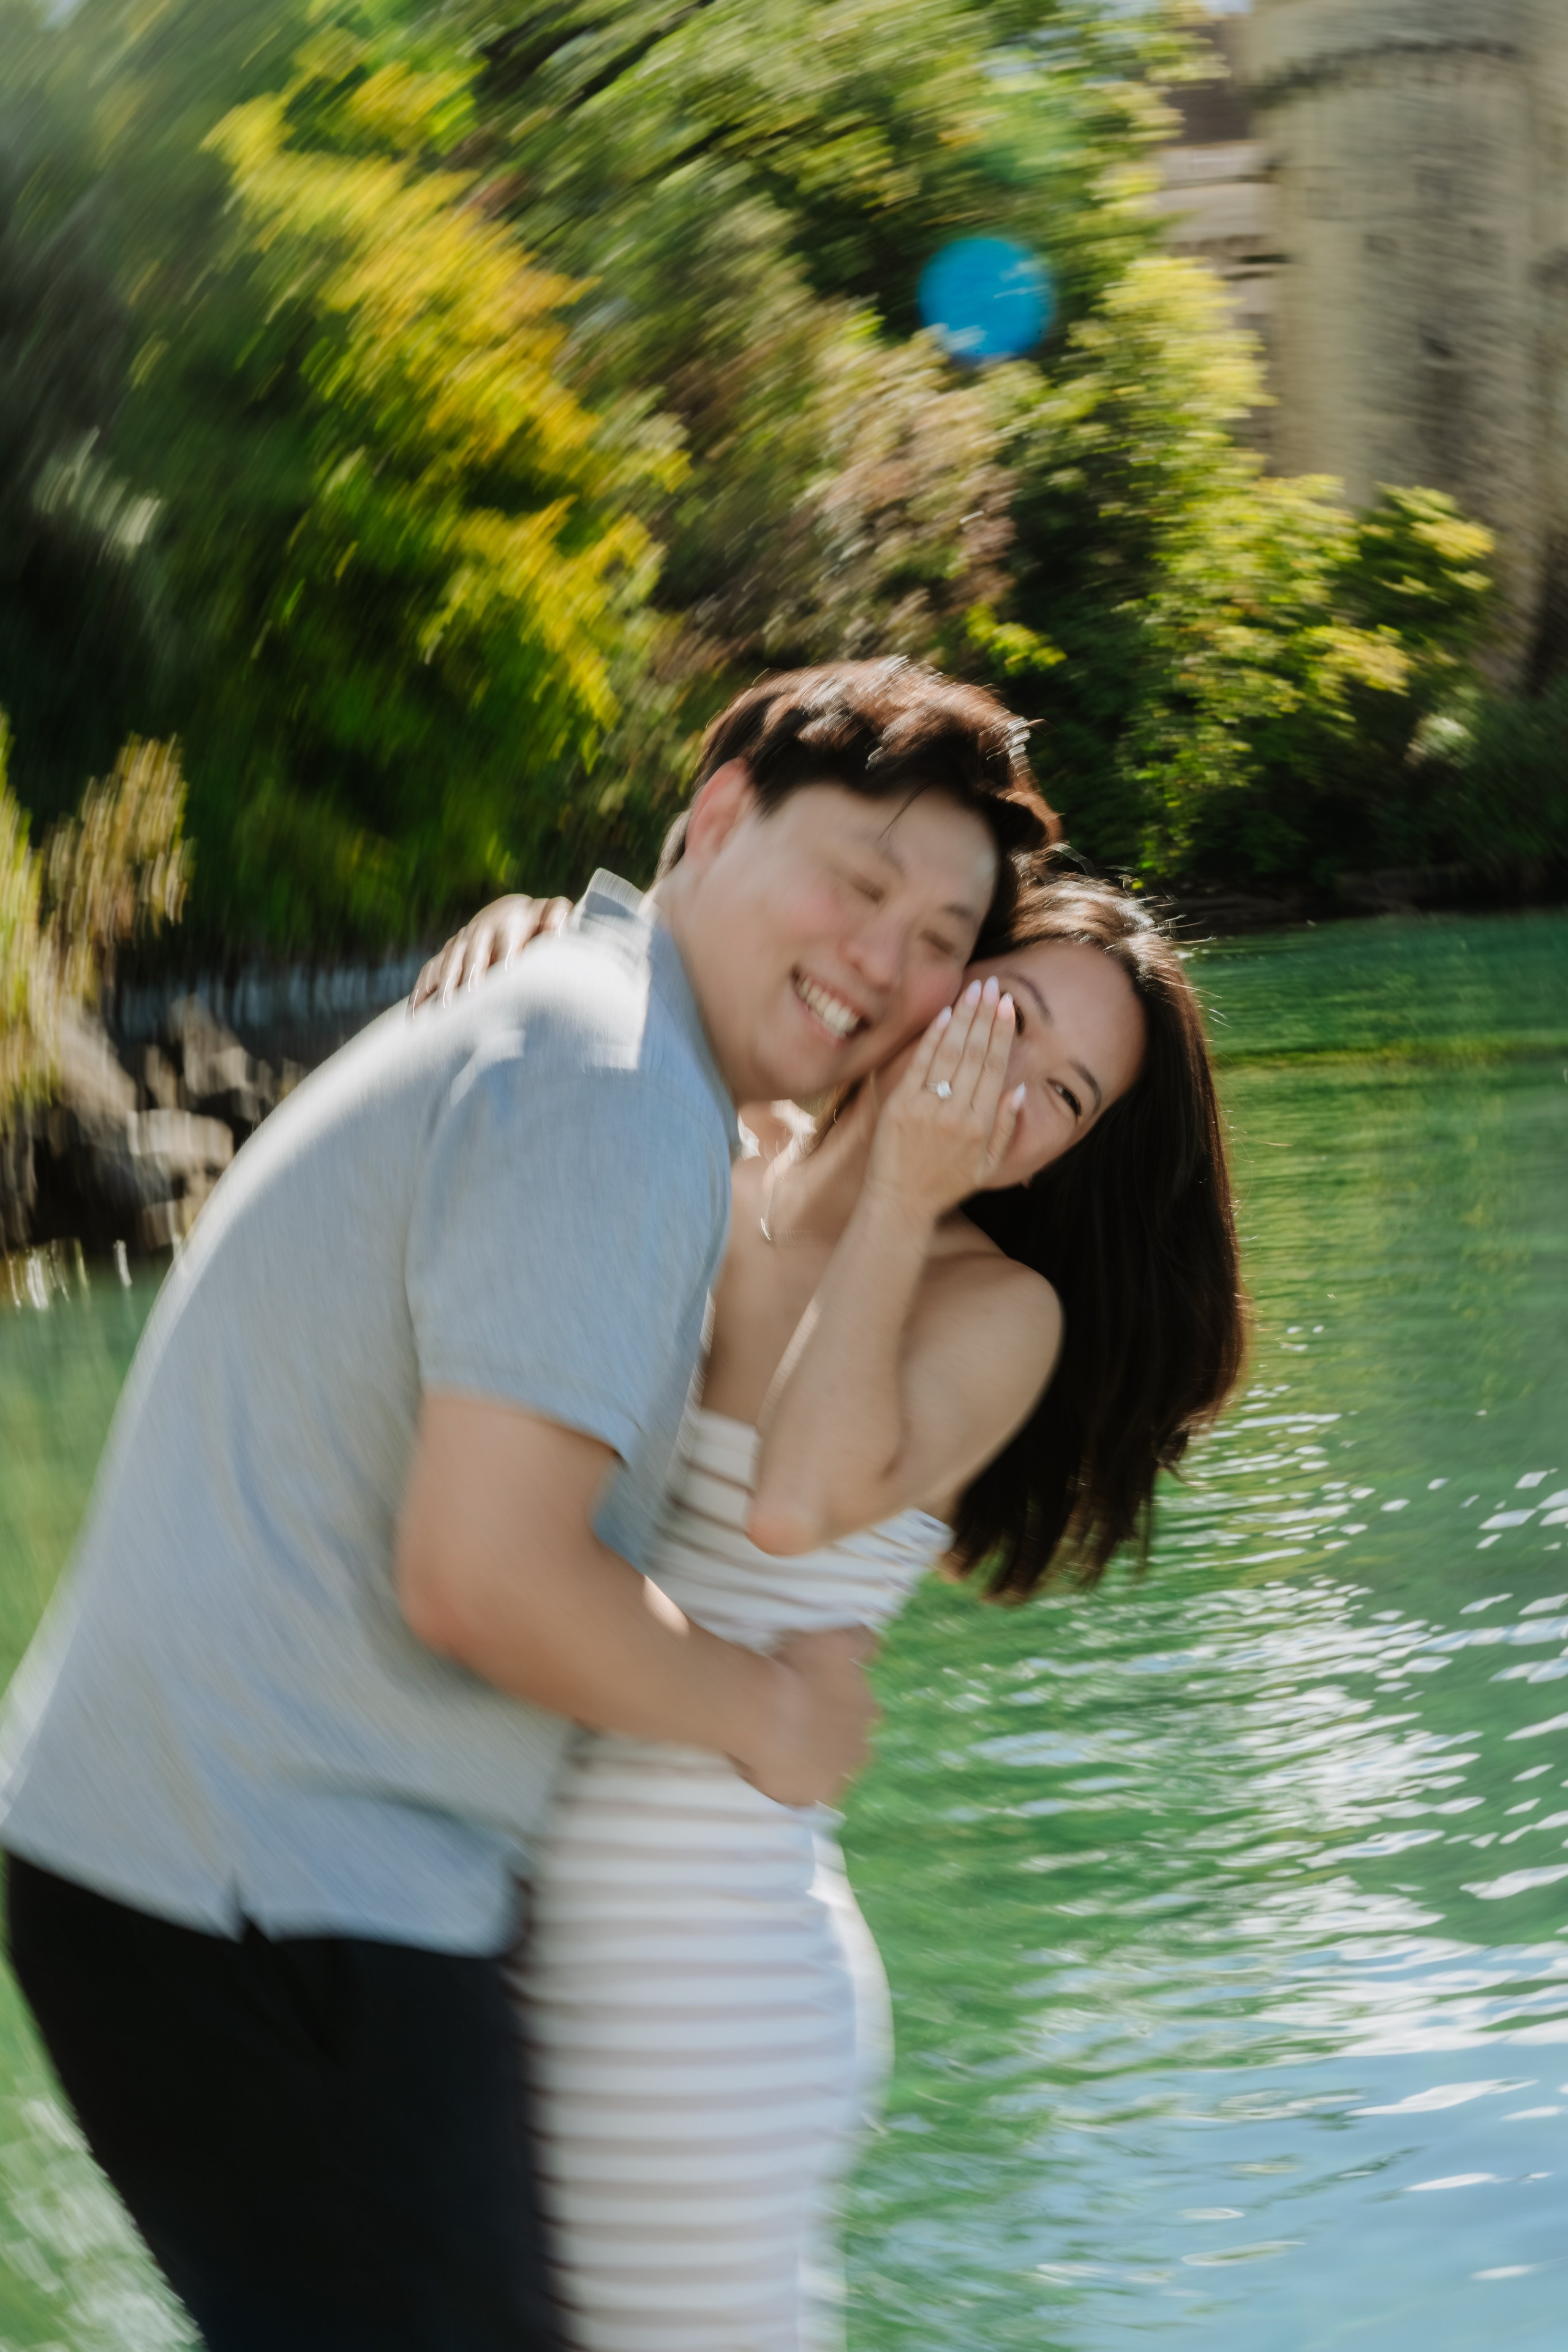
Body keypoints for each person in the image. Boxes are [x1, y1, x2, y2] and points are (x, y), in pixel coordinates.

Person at [0, 660, 1052, 2352]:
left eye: (944, 943)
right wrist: (772, 1708)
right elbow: (485, 1578)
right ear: (715, 819)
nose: (892, 960)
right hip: (270, 1880)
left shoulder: (596, 1015)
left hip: (208, 1859)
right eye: (862, 885)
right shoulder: (608, 1079)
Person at [413, 864, 1245, 2349]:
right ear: (940, 971)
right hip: (498, 1900)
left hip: (702, 1959)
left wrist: (908, 1187)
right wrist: (548, 937)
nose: (1005, 1091)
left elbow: (791, 1498)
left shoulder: (997, 1309)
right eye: (1011, 1014)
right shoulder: (698, 1138)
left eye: (1057, 1097)